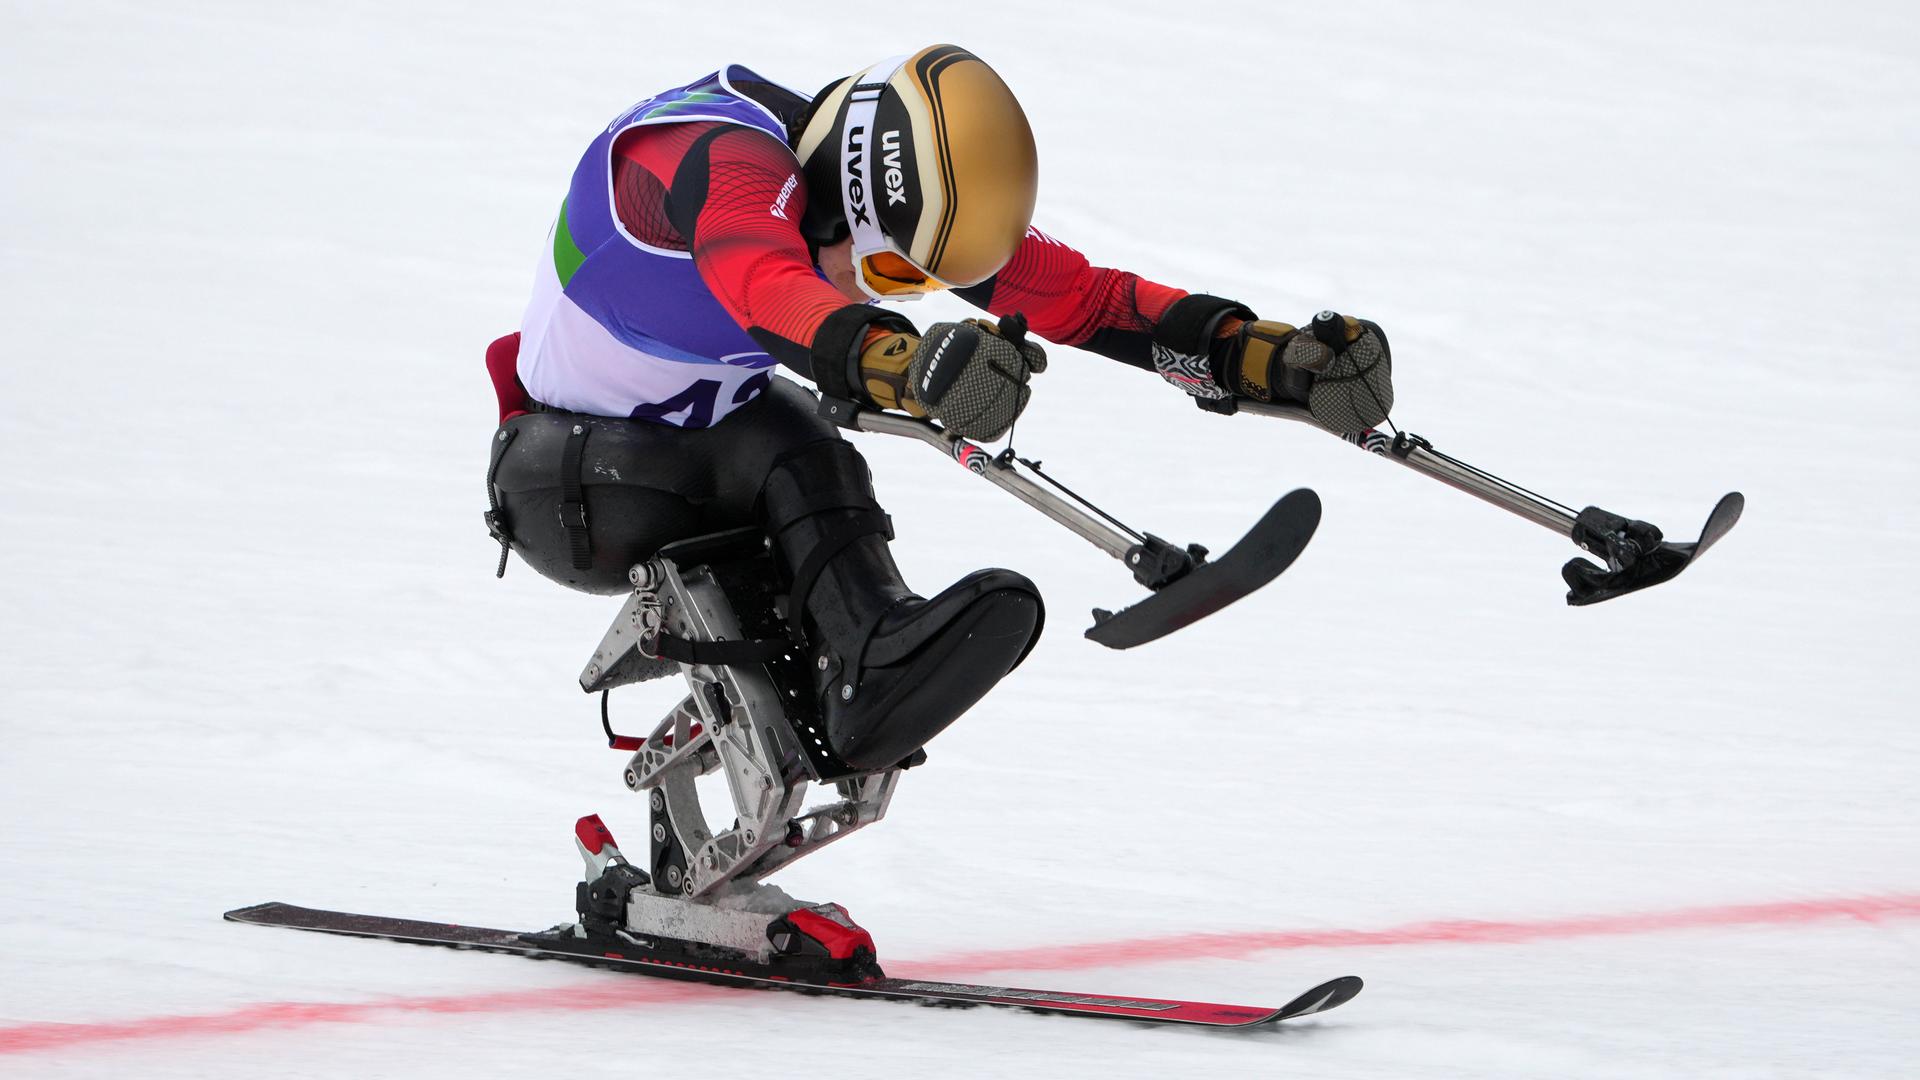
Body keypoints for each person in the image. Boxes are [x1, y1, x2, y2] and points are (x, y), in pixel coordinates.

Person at [484, 45, 1393, 772]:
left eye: (923, 282)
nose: (904, 293)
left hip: (692, 464)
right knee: (796, 438)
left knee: (791, 436)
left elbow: (1083, 299)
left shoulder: (857, 193)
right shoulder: (717, 157)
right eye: (890, 275)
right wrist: (900, 362)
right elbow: (761, 279)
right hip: (575, 482)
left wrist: (1259, 355)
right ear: (844, 200)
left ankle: (849, 686)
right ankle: (869, 673)